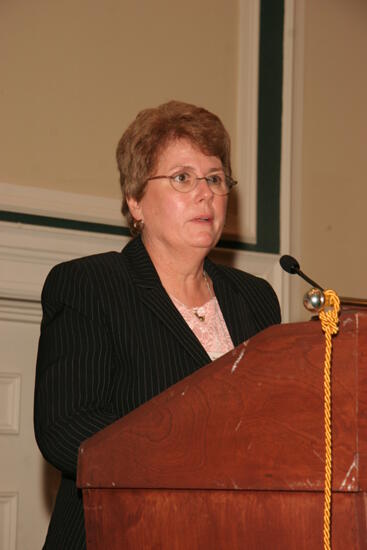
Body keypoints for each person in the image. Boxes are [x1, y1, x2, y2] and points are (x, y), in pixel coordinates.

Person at [34, 100, 281, 549]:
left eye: (216, 178)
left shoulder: (256, 299)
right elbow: (68, 430)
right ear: (135, 201)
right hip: (120, 534)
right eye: (183, 178)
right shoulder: (90, 285)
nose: (205, 192)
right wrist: (199, 458)